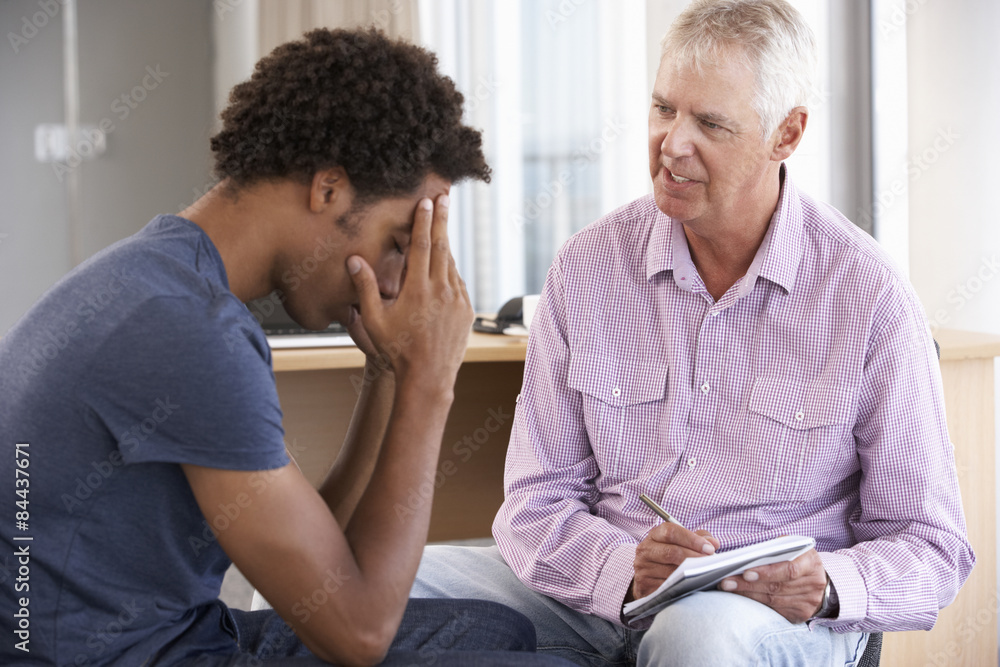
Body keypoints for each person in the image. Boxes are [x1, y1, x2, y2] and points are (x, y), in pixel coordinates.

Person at [410, 1, 975, 665]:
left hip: (766, 619)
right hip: (604, 594)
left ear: (786, 134)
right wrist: (626, 569)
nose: (672, 142)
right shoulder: (588, 267)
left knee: (694, 637)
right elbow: (537, 501)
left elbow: (932, 546)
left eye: (709, 122)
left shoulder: (869, 295)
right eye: (663, 109)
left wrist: (826, 584)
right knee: (359, 592)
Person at [0, 28, 574, 667]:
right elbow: (357, 634)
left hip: (171, 638)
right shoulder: (190, 332)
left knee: (499, 632)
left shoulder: (162, 275)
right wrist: (429, 381)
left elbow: (322, 567)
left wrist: (387, 370)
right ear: (328, 189)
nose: (394, 282)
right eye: (395, 243)